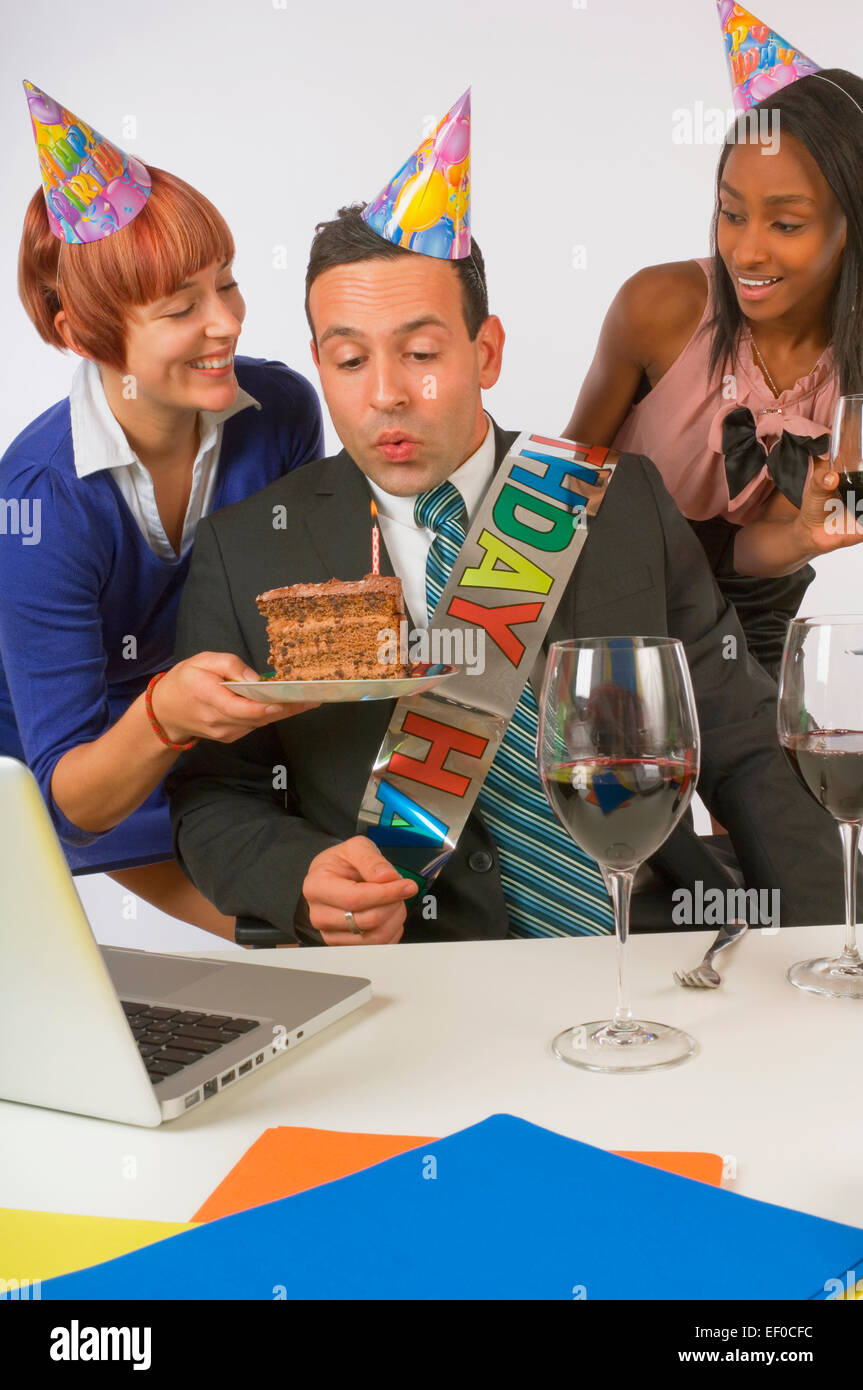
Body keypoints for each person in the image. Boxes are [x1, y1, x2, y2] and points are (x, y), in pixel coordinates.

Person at [165, 203, 859, 945]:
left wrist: (830, 944)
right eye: (350, 360)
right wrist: (301, 877)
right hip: (413, 971)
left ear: (486, 351)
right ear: (320, 365)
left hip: (650, 942)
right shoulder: (246, 550)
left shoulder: (618, 502)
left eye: (422, 354)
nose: (386, 393)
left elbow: (741, 738)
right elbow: (216, 796)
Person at [0, 82, 319, 938]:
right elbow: (74, 798)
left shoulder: (278, 411)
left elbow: (297, 619)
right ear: (80, 333)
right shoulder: (39, 506)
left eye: (227, 285)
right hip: (77, 765)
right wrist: (165, 714)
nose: (225, 324)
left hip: (231, 736)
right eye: (181, 307)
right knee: (286, 932)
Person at [563, 67, 863, 681]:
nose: (747, 252)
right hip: (612, 602)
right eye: (731, 212)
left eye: (786, 224)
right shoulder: (657, 308)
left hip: (749, 618)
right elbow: (564, 473)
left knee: (779, 772)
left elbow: (750, 555)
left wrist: (808, 533)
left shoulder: (851, 380)